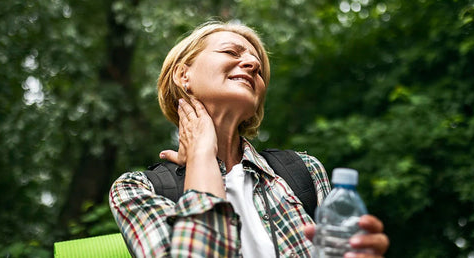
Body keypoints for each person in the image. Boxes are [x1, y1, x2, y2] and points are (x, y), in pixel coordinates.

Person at [109, 21, 389, 257]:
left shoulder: (305, 170)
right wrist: (202, 156)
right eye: (231, 51)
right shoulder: (135, 189)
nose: (254, 63)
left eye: (258, 66)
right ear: (184, 75)